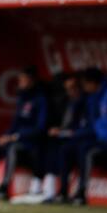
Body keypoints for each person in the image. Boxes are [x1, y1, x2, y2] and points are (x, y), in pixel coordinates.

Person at [0, 66, 47, 199]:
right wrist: (6, 135)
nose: (20, 83)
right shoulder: (22, 99)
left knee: (12, 148)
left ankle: (4, 187)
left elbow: (40, 128)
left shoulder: (41, 100)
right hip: (15, 138)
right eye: (20, 80)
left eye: (23, 80)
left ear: (31, 81)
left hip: (30, 143)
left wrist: (15, 136)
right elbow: (15, 124)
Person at [58, 67, 107, 205]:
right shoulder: (91, 98)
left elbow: (106, 124)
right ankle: (63, 192)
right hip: (95, 137)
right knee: (66, 149)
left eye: (85, 84)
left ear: (93, 83)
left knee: (86, 150)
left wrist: (77, 133)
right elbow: (90, 124)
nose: (84, 88)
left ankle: (82, 192)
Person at [41, 73, 87, 202]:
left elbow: (84, 128)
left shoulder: (85, 103)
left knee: (68, 149)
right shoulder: (67, 102)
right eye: (67, 89)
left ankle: (78, 191)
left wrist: (63, 133)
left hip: (81, 139)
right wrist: (60, 131)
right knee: (51, 144)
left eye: (72, 88)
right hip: (69, 138)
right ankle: (51, 188)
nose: (70, 92)